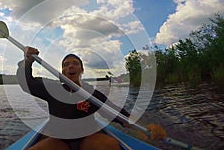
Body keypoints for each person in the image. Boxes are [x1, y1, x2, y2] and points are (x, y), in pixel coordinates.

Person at [17, 46, 167, 150]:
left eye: (75, 64)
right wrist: (28, 61)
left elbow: (116, 113)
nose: (70, 66)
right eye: (66, 64)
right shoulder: (52, 89)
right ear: (62, 71)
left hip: (87, 139)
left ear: (81, 70)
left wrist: (146, 127)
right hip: (59, 141)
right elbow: (26, 83)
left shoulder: (91, 94)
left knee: (110, 145)